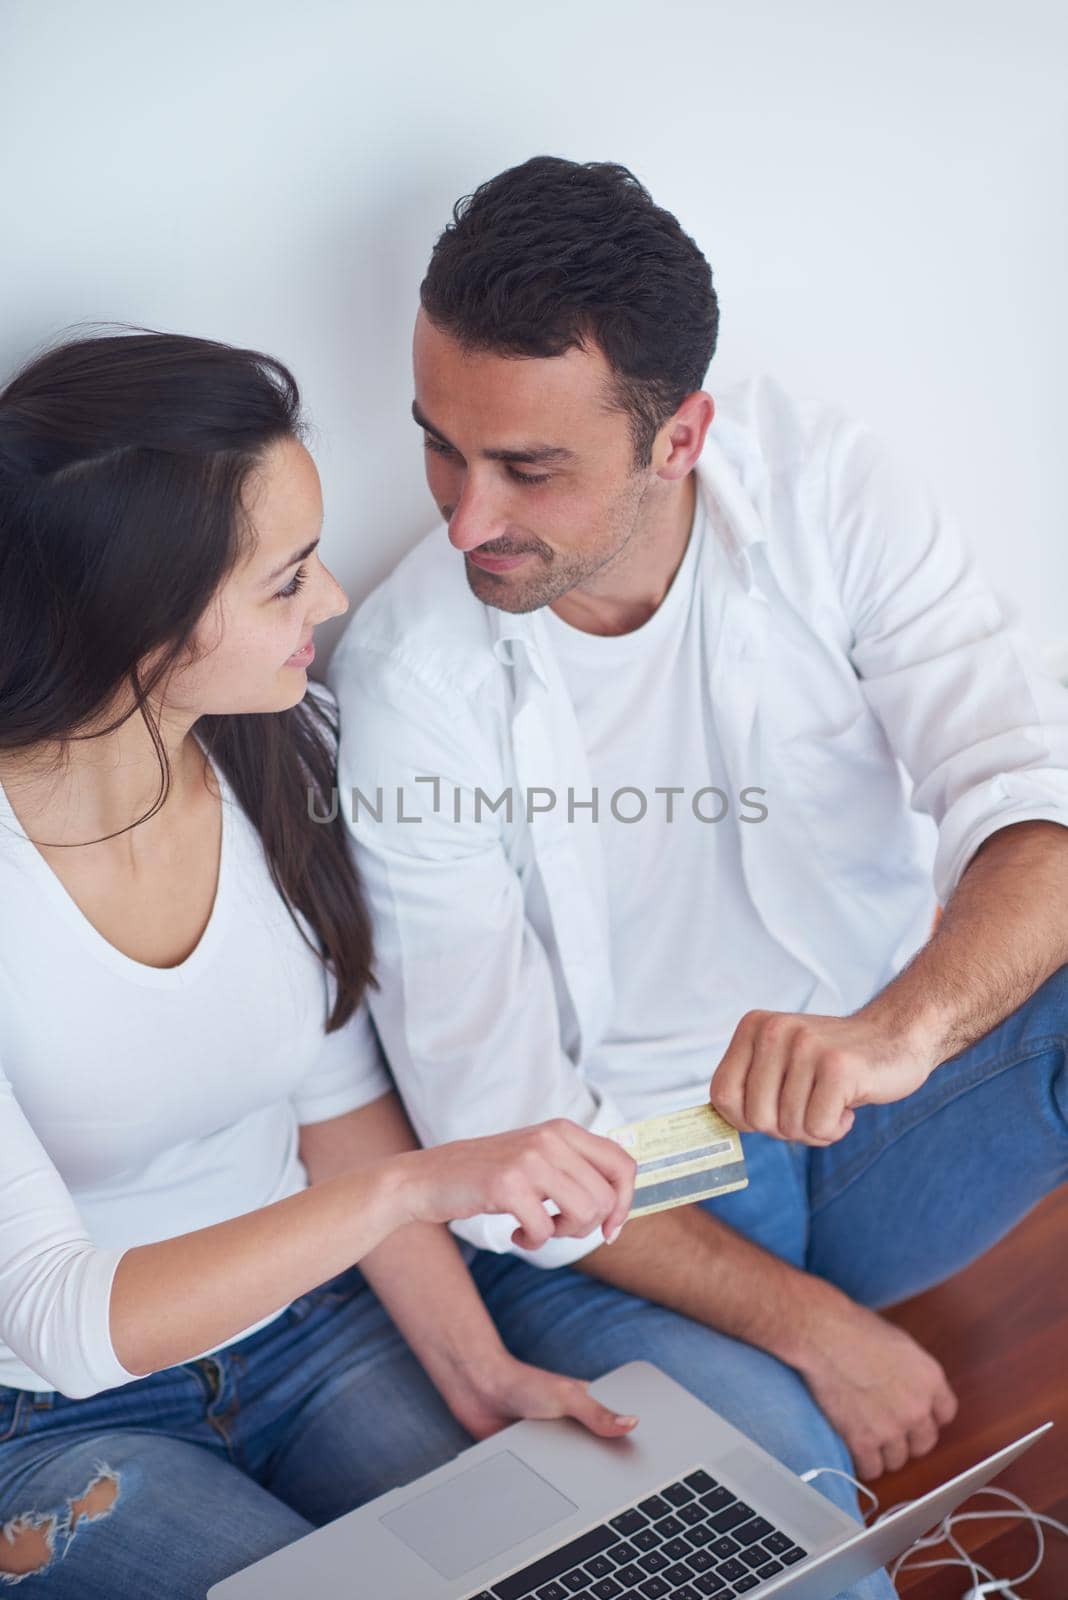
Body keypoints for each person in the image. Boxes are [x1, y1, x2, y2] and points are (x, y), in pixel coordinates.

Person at [329, 157, 1068, 1600]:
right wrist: (807, 1324)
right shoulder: (412, 680)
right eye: (438, 447)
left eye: (529, 468)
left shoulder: (826, 487)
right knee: (791, 1558)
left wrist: (896, 1032)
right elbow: (499, 1153)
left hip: (870, 1108)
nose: (467, 519)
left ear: (681, 436)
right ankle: (764, 1365)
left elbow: (1028, 800)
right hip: (636, 1204)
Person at [0, 328, 640, 1599]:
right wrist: (414, 1189)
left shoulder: (274, 747)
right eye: (287, 580)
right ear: (146, 617)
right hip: (53, 1424)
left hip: (308, 1333)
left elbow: (335, 1100)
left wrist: (477, 1372)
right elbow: (63, 1322)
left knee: (572, 1570)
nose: (334, 600)